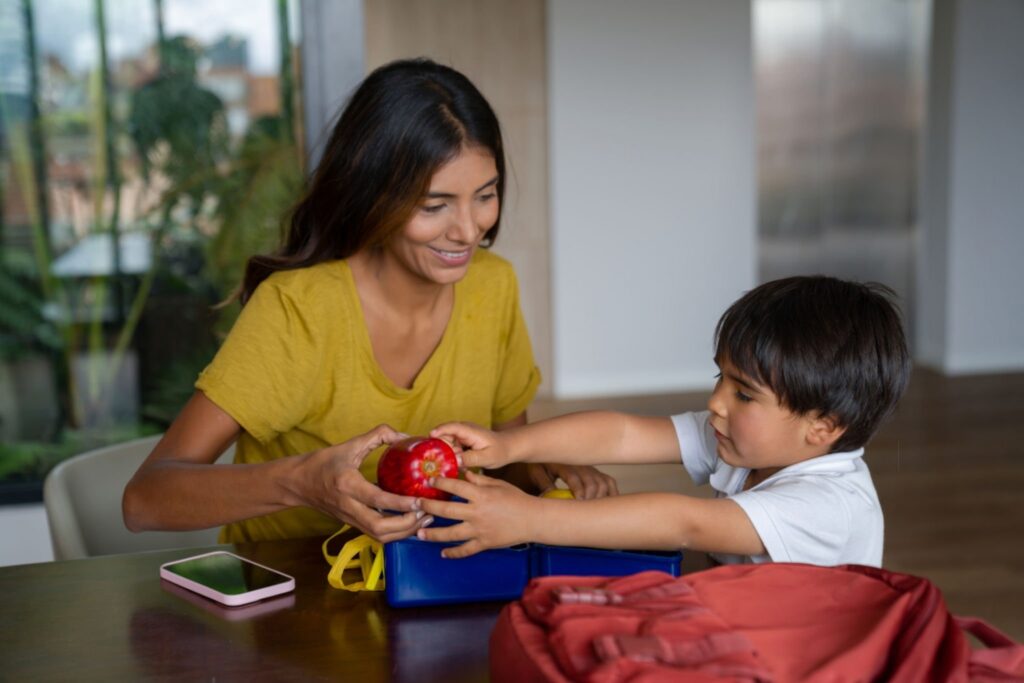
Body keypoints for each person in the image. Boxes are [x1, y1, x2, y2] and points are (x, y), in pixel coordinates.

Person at [123, 58, 617, 545]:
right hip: (289, 597)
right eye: (434, 206)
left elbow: (503, 464)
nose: (468, 230)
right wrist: (302, 482)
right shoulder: (299, 311)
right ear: (375, 196)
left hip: (439, 584)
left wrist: (544, 467)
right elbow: (146, 499)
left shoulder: (493, 286)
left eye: (484, 196)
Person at [419, 275, 911, 567]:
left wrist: (529, 518)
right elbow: (623, 433)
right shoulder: (747, 441)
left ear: (823, 426)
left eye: (743, 393)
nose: (717, 401)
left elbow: (685, 523)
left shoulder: (828, 505)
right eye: (721, 377)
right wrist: (510, 447)